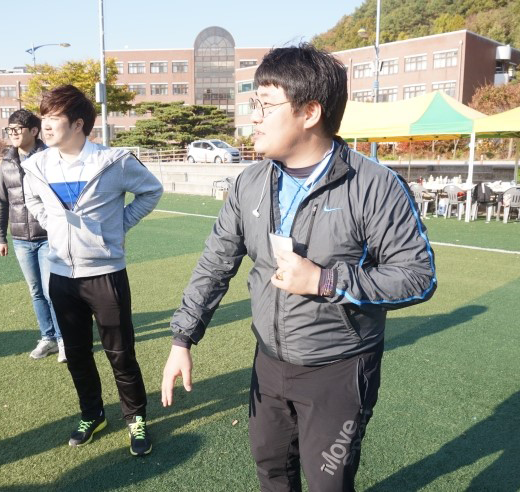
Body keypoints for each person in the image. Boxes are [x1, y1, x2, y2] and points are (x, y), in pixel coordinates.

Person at [161, 44, 437, 491]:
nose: (253, 118)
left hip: (339, 367)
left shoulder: (375, 185)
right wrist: (182, 337)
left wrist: (325, 280)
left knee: (329, 483)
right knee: (271, 470)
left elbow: (418, 277)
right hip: (268, 361)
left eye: (266, 106)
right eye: (254, 105)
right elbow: (215, 262)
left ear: (310, 112)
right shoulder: (250, 182)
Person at [22, 85, 163, 455]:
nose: (45, 125)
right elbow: (32, 200)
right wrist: (53, 227)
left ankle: (135, 419)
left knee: (121, 353)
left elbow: (151, 191)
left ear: (78, 124)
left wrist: (116, 227)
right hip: (61, 277)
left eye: (54, 118)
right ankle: (92, 414)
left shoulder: (113, 162)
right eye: (43, 117)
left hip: (106, 274)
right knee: (77, 354)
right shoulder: (37, 165)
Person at [0, 109, 64, 362]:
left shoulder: (50, 157)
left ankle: (63, 339)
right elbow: (2, 202)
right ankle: (48, 338)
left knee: (51, 290)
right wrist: (0, 237)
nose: (12, 133)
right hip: (21, 239)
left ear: (34, 131)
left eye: (18, 129)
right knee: (35, 291)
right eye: (9, 129)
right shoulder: (6, 162)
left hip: (47, 236)